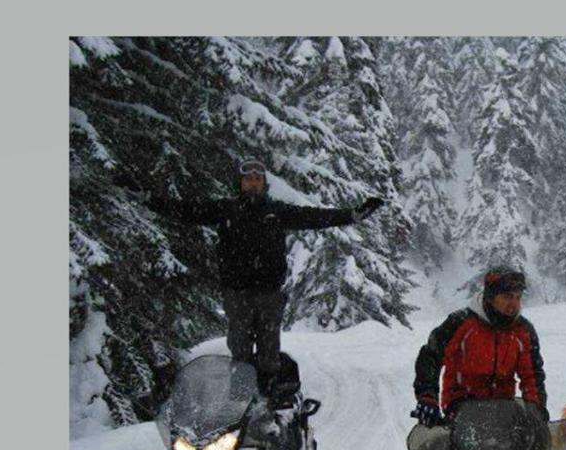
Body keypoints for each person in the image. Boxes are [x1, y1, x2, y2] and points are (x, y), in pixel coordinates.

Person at [132, 158, 383, 400]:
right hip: (236, 293)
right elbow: (186, 210)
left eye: (257, 179)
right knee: (239, 348)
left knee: (268, 350)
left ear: (264, 183)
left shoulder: (276, 212)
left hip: (269, 293)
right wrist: (148, 198)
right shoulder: (225, 209)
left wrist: (352, 215)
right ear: (240, 184)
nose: (252, 183)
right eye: (248, 179)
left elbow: (315, 217)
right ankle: (239, 402)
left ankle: (271, 400)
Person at [411, 266, 547, 450]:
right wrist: (427, 398)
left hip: (504, 409)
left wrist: (535, 408)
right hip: (462, 407)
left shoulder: (523, 331)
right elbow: (430, 357)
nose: (513, 303)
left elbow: (532, 374)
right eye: (506, 297)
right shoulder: (460, 323)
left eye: (517, 297)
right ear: (490, 296)